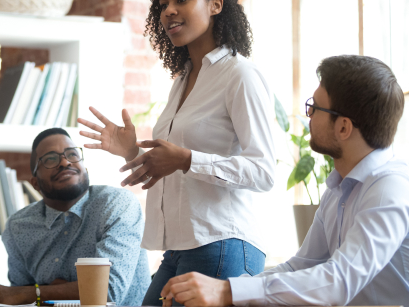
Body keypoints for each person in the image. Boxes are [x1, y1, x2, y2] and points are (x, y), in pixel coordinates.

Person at [77, 0, 276, 305]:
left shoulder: (239, 76)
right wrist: (131, 153)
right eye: (163, 4)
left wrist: (185, 159)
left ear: (216, 5)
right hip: (180, 248)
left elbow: (263, 172)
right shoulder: (182, 81)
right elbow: (176, 165)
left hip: (223, 244)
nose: (169, 11)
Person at [161, 55, 409, 306]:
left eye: (315, 108)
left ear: (344, 128)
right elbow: (301, 266)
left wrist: (227, 293)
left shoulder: (389, 189)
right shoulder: (339, 188)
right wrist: (230, 289)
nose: (308, 114)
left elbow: (338, 282)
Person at [0, 128, 150, 305]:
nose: (65, 162)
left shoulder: (116, 204)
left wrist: (35, 292)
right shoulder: (18, 227)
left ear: (86, 170)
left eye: (73, 154)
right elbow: (21, 299)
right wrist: (46, 292)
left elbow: (106, 291)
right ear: (35, 183)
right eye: (50, 159)